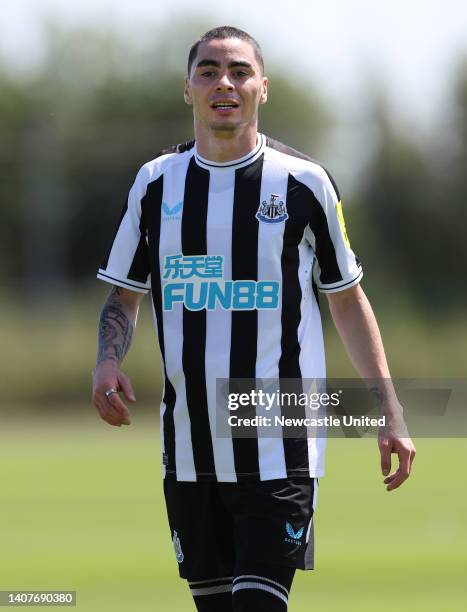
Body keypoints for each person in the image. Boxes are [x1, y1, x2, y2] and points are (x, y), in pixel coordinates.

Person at [92, 26, 416, 612]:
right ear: (186, 89)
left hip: (282, 435)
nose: (225, 83)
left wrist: (389, 409)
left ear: (262, 88)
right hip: (188, 442)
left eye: (239, 71)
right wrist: (107, 361)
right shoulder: (155, 184)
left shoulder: (305, 184)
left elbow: (347, 298)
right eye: (209, 71)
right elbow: (124, 294)